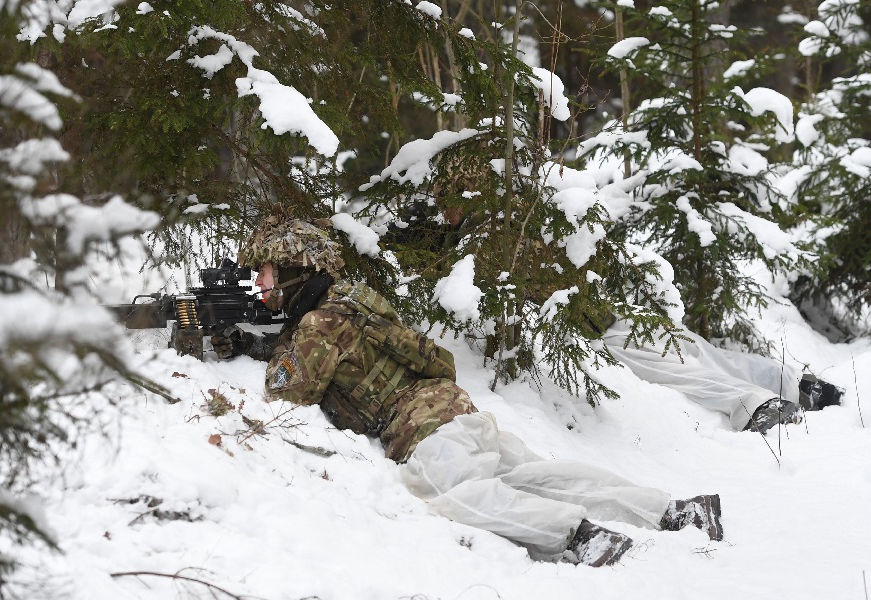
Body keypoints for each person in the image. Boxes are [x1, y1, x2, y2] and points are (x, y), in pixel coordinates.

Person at [211, 212, 724, 567]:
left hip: (428, 433)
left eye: (267, 270)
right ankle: (674, 510)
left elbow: (287, 394)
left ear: (295, 269)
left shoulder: (317, 326)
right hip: (459, 414)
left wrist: (265, 350)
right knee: (539, 476)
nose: (261, 282)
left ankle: (580, 536)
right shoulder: (350, 298)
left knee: (455, 497)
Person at [598, 319, 844, 434]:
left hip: (605, 326)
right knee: (706, 359)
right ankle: (794, 386)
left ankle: (769, 399)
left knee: (686, 367)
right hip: (619, 317)